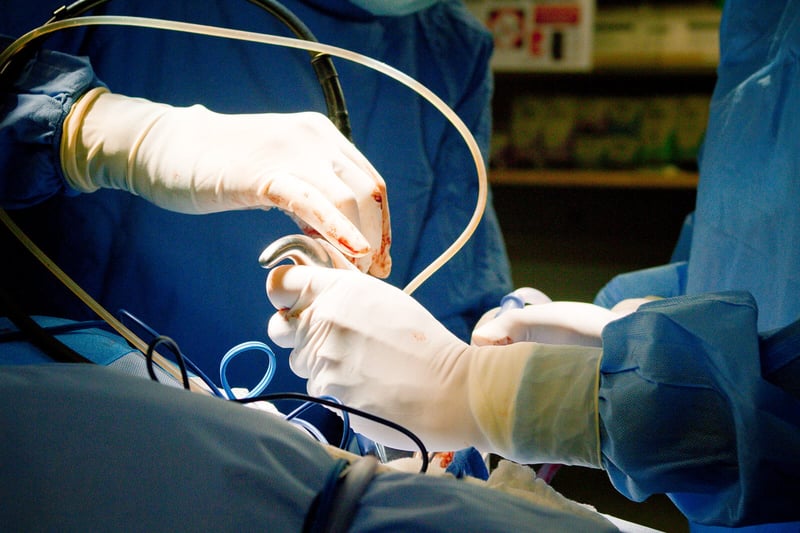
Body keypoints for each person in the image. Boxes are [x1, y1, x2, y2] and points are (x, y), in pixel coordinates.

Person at [262, 0, 800, 530]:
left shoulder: (449, 45)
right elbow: (743, 244)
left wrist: (530, 395)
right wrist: (637, 324)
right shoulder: (763, 17)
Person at [1, 0, 513, 393]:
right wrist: (94, 130)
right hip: (63, 415)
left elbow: (449, 302)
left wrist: (496, 372)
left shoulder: (447, 47)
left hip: (299, 456)